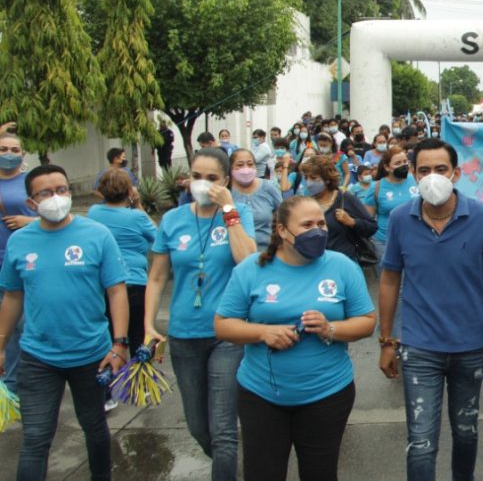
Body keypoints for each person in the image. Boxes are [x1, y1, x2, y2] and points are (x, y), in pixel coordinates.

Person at [378, 138, 483, 481]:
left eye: (440, 169)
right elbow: (390, 280)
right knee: (421, 443)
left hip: (470, 346)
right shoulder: (399, 219)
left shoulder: (482, 216)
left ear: (455, 173)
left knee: (466, 432)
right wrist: (386, 340)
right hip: (419, 347)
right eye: (424, 170)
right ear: (412, 173)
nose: (432, 176)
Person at [215, 196, 377, 481]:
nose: (317, 231)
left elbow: (366, 322)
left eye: (320, 224)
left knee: (320, 473)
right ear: (282, 231)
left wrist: (331, 329)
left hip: (327, 394)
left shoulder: (342, 266)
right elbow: (224, 325)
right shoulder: (251, 269)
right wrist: (263, 332)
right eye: (306, 225)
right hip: (261, 395)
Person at [0, 164, 129, 480]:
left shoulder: (97, 235)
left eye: (61, 190)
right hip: (37, 357)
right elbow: (13, 297)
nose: (55, 198)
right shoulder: (20, 242)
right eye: (45, 193)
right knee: (35, 437)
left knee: (95, 427)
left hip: (92, 355)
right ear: (31, 203)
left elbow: (116, 291)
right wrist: (1, 344)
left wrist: (120, 343)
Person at [144, 148, 257, 481]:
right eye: (196, 176)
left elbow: (247, 260)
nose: (202, 184)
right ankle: (228, 467)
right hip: (183, 334)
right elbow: (157, 276)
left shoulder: (237, 213)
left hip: (228, 334)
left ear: (225, 181)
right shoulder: (173, 220)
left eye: (211, 178)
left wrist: (229, 210)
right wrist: (148, 325)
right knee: (198, 426)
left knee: (223, 429)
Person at [88, 168, 156, 354]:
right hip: (135, 282)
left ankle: (111, 378)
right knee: (138, 338)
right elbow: (158, 238)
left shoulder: (94, 212)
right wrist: (138, 204)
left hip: (105, 284)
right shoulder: (137, 216)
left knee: (111, 339)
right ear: (129, 191)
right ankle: (138, 379)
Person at [0, 132, 35, 390]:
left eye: (15, 149)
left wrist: (27, 222)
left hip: (23, 265)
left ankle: (24, 385)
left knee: (22, 327)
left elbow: (55, 216)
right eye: (4, 148)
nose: (9, 154)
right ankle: (8, 386)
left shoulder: (29, 183)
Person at [298, 155, 376, 263]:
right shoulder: (307, 204)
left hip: (345, 262)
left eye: (314, 178)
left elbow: (371, 226)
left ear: (327, 179)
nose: (309, 183)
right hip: (317, 264)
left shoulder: (345, 199)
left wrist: (352, 222)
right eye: (306, 178)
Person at [365, 146, 414, 262]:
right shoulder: (376, 187)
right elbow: (368, 218)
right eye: (397, 163)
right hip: (385, 242)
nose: (403, 165)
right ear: (387, 167)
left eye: (405, 162)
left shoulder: (416, 180)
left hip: (415, 239)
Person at [230, 149, 284, 251]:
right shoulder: (227, 192)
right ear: (231, 168)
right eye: (240, 165)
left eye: (250, 164)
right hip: (235, 252)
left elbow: (284, 215)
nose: (246, 169)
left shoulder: (268, 187)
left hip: (266, 253)